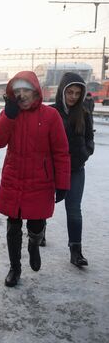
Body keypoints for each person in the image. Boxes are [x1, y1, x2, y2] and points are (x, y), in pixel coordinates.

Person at [0, 71, 70, 288]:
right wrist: (8, 116)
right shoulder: (9, 113)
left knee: (36, 224)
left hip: (40, 183)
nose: (21, 95)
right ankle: (15, 268)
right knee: (13, 226)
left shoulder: (51, 116)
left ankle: (34, 244)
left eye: (25, 90)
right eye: (17, 91)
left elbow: (61, 152)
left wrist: (63, 183)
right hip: (14, 180)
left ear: (35, 91)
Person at [50, 72, 95, 267]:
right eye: (70, 92)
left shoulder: (84, 112)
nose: (74, 96)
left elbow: (89, 138)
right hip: (52, 169)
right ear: (62, 91)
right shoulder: (51, 112)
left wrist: (85, 152)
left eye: (78, 93)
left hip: (76, 169)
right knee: (45, 205)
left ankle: (76, 251)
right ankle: (38, 232)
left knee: (74, 210)